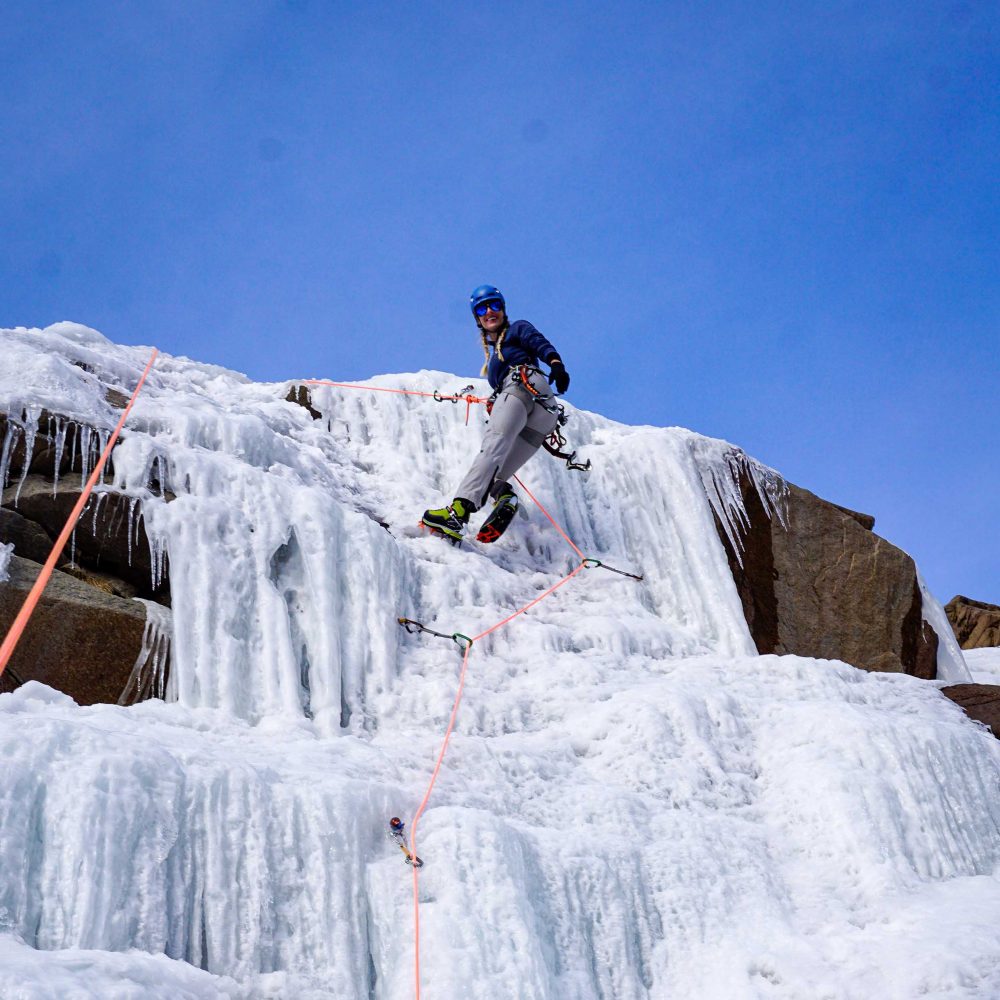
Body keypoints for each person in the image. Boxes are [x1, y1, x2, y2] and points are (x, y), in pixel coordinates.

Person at [421, 284, 571, 544]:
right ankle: (504, 495)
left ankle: (457, 513)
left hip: (523, 388)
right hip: (544, 414)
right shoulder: (495, 362)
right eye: (482, 308)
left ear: (503, 309)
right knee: (497, 472)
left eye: (495, 305)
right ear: (477, 317)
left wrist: (555, 363)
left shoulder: (517, 329)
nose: (490, 311)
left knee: (492, 448)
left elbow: (538, 342)